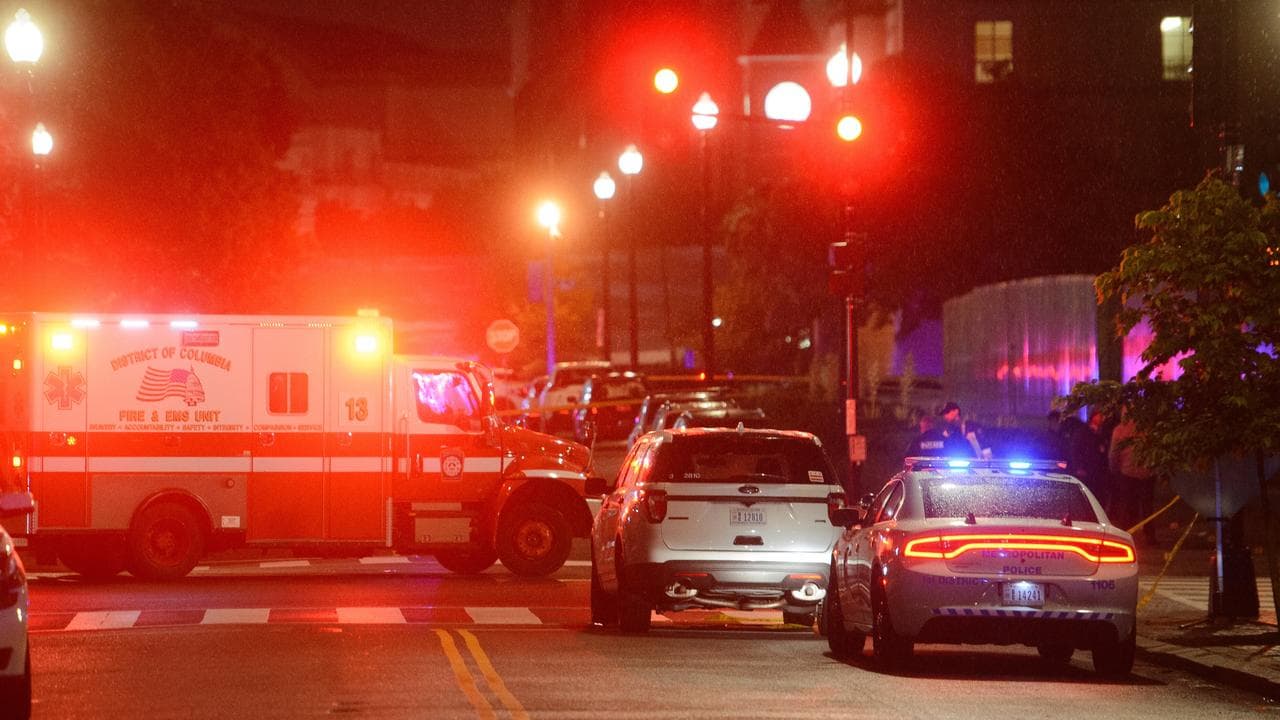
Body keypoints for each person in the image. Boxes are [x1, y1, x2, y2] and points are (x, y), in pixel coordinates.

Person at [1109, 415, 1158, 544]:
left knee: (1127, 506)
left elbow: (1114, 453)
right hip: (1147, 472)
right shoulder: (1148, 428)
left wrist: (1114, 468)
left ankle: (1126, 536)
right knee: (1147, 506)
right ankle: (1150, 535)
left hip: (1127, 472)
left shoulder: (1119, 430)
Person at [1068, 411, 1110, 507]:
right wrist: (1079, 467)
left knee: (1098, 497)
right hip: (1086, 471)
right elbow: (1075, 450)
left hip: (1098, 472)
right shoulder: (1083, 432)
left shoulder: (1101, 433)